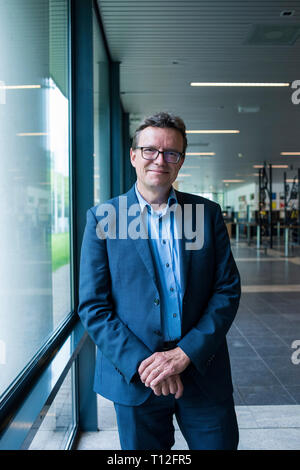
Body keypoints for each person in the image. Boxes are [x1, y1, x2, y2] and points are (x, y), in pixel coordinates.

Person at [78, 112, 241, 450]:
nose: (160, 160)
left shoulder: (205, 215)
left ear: (181, 161)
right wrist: (144, 364)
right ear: (134, 155)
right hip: (137, 377)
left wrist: (184, 354)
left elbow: (226, 290)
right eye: (150, 150)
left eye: (171, 153)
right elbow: (93, 306)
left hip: (200, 368)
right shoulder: (105, 219)